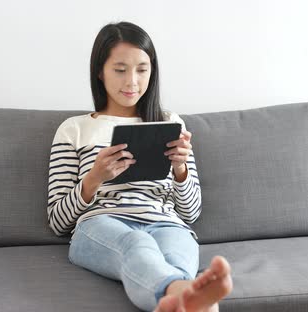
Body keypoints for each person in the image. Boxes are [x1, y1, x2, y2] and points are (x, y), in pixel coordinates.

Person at [46, 21, 232, 312]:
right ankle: (188, 296)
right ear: (100, 71)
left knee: (175, 256)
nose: (132, 81)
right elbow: (58, 222)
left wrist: (181, 169)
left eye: (142, 70)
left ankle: (182, 299)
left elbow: (191, 213)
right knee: (136, 243)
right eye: (120, 70)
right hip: (100, 225)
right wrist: (94, 178)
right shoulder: (74, 130)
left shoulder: (171, 123)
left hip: (167, 222)